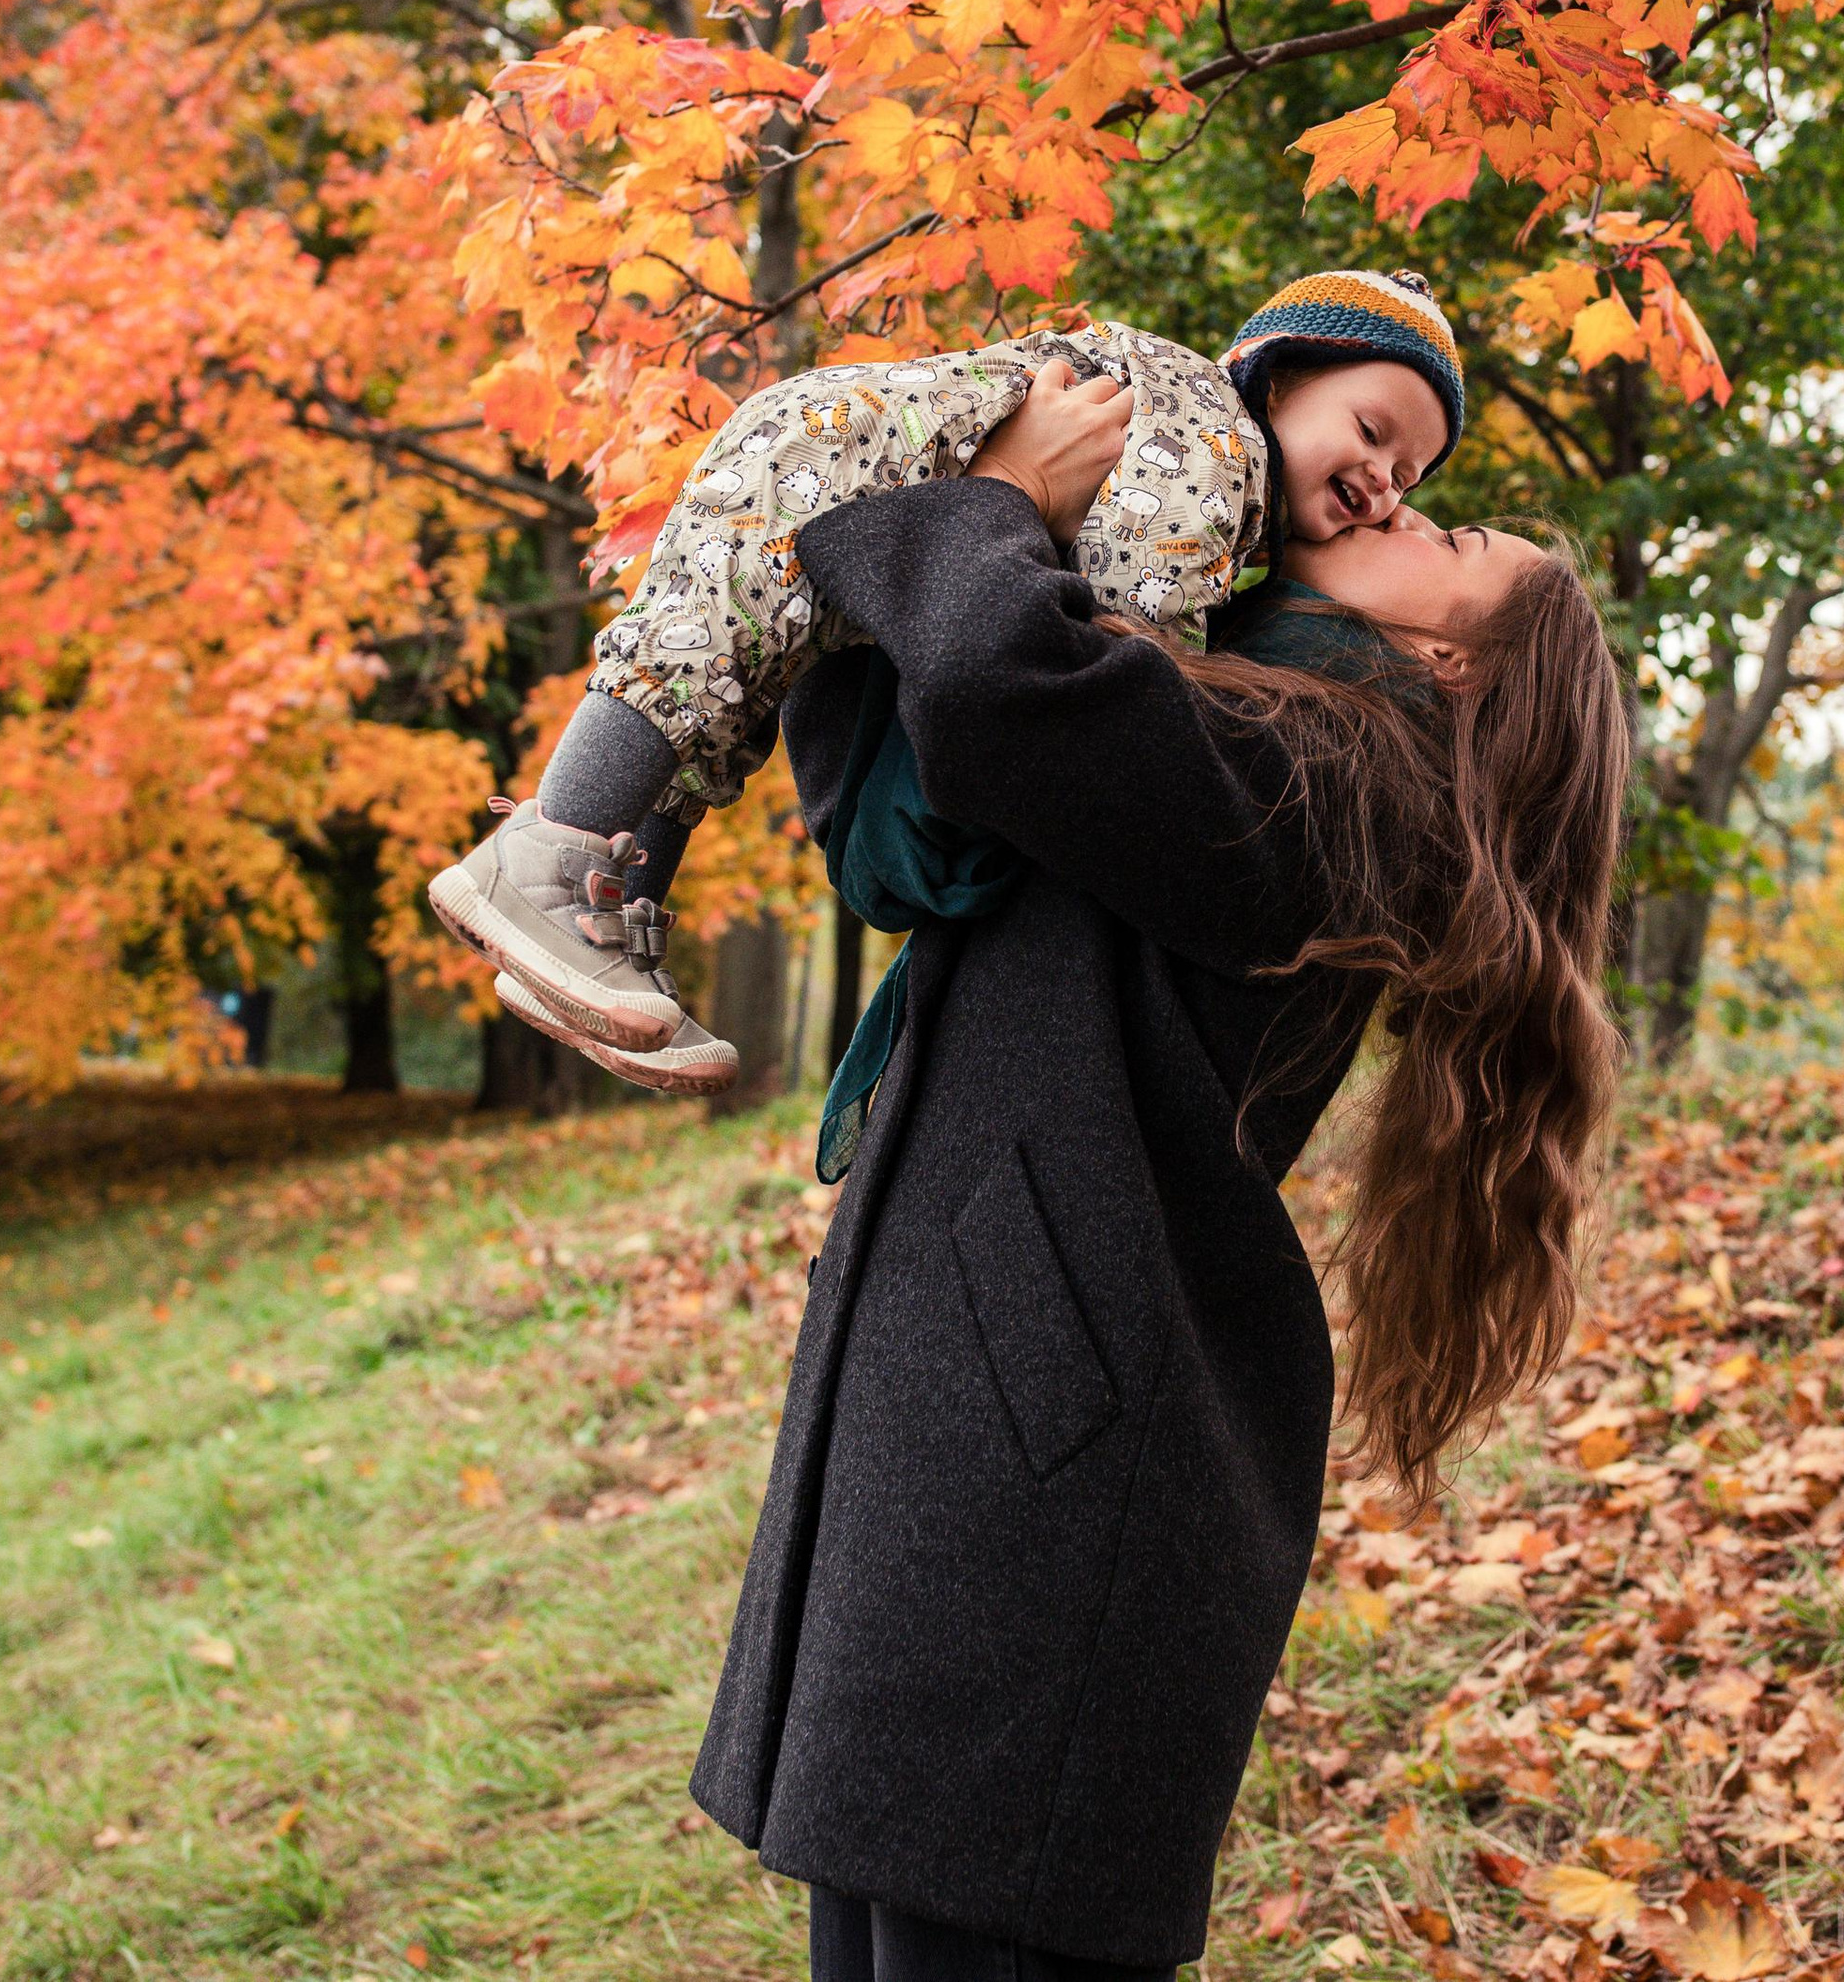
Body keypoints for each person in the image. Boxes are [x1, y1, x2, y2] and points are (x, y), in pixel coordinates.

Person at [685, 372, 1628, 1979]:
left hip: (1061, 1466)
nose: (1400, 501)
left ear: (1457, 663)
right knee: (895, 1919)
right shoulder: (1261, 710)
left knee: (955, 1928)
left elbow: (999, 682)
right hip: (1013, 1424)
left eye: (1450, 530)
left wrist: (1001, 496)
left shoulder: (1358, 785)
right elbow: (943, 770)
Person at [429, 270, 1471, 1088]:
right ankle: (548, 860)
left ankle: (595, 929)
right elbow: (1139, 619)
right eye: (1373, 433)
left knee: (717, 710)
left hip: (849, 502)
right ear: (1277, 377)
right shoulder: (1214, 441)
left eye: (1409, 477)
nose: (1384, 480)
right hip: (819, 479)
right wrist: (1166, 701)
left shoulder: (1234, 475)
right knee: (690, 674)